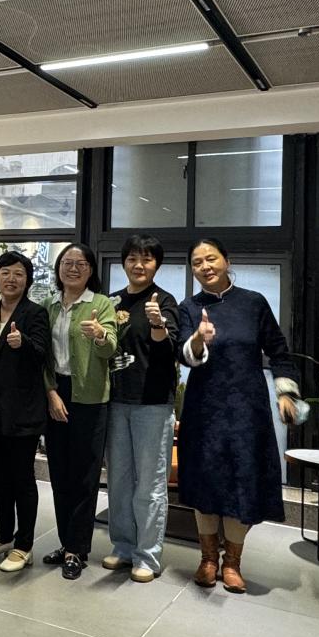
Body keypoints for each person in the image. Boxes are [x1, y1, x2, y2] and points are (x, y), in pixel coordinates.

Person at [178, 237, 300, 593]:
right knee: (205, 480)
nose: (205, 266)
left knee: (241, 480)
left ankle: (232, 563)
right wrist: (198, 339)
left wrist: (285, 393)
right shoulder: (189, 307)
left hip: (248, 409)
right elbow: (183, 354)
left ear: (226, 261)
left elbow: (279, 351)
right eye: (197, 262)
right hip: (204, 408)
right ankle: (207, 560)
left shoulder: (253, 302)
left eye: (211, 258)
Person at [103, 234, 180, 583]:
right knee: (118, 481)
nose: (139, 265)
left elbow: (170, 351)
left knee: (150, 483)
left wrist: (157, 324)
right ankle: (123, 546)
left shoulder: (164, 301)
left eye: (147, 259)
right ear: (124, 262)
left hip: (152, 404)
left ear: (156, 264)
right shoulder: (111, 301)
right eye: (133, 258)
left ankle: (147, 555)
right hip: (115, 400)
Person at [44, 244, 118, 581]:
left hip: (89, 396)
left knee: (85, 476)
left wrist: (101, 336)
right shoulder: (48, 304)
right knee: (59, 474)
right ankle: (66, 542)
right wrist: (50, 392)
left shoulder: (100, 303)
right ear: (59, 268)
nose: (73, 268)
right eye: (67, 262)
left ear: (90, 270)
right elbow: (42, 355)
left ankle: (77, 549)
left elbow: (111, 348)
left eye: (81, 263)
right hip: (55, 392)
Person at [0, 251, 50, 573]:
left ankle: (24, 546)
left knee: (22, 479)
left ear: (27, 280)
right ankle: (3, 536)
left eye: (18, 273)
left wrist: (25, 343)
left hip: (23, 411)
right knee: (0, 478)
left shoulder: (35, 313)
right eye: (5, 272)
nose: (11, 279)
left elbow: (42, 354)